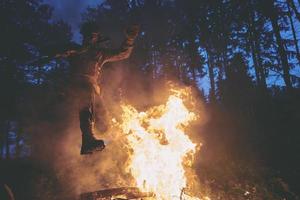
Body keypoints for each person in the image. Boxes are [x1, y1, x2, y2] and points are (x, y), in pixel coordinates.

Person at [58, 23, 139, 154]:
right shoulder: (74, 50)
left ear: (97, 38)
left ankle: (104, 148)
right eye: (88, 36)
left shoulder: (99, 54)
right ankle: (88, 140)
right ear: (83, 37)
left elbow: (122, 54)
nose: (90, 38)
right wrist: (67, 51)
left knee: (104, 119)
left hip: (93, 88)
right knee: (86, 103)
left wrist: (129, 40)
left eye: (93, 36)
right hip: (77, 85)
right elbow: (54, 51)